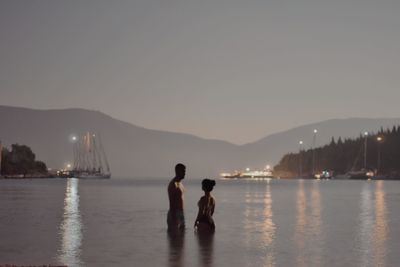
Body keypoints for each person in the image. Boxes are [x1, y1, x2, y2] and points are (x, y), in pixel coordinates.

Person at [167, 163, 186, 231]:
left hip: (180, 212)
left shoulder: (179, 183)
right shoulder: (173, 184)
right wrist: (173, 217)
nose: (184, 173)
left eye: (185, 171)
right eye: (183, 171)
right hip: (175, 213)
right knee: (174, 237)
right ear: (177, 171)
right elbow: (172, 202)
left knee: (181, 237)